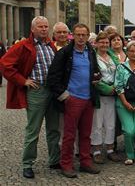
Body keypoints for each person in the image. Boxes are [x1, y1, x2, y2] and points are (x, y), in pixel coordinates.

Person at [0, 16, 60, 179]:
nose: (44, 29)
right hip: (37, 91)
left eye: (46, 26)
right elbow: (4, 64)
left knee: (54, 128)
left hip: (52, 91)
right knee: (33, 130)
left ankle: (54, 160)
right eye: (40, 26)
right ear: (32, 29)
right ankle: (27, 164)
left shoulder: (50, 45)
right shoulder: (23, 45)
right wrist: (22, 80)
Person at [47, 23, 101, 178]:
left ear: (88, 35)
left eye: (84, 35)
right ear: (73, 35)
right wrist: (65, 96)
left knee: (85, 134)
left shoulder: (90, 51)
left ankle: (85, 162)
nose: (81, 38)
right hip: (73, 98)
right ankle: (66, 164)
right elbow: (53, 78)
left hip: (88, 98)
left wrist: (96, 77)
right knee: (69, 135)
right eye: (78, 34)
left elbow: (95, 69)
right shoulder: (64, 53)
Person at [91, 32, 121, 164]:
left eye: (106, 43)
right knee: (97, 123)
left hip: (113, 94)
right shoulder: (93, 57)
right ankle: (96, 150)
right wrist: (106, 88)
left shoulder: (112, 56)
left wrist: (115, 87)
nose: (104, 45)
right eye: (101, 42)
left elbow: (119, 72)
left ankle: (110, 149)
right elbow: (93, 75)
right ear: (96, 43)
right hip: (99, 94)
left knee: (111, 123)